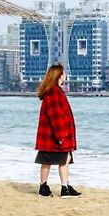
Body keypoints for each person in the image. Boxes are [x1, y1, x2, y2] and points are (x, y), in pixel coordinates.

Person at [35, 63, 81, 198]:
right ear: (60, 76)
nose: (65, 75)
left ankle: (45, 187)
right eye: (64, 73)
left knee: (47, 161)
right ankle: (64, 188)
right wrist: (61, 136)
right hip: (56, 135)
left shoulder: (52, 91)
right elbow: (56, 116)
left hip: (48, 136)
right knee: (63, 160)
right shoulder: (55, 93)